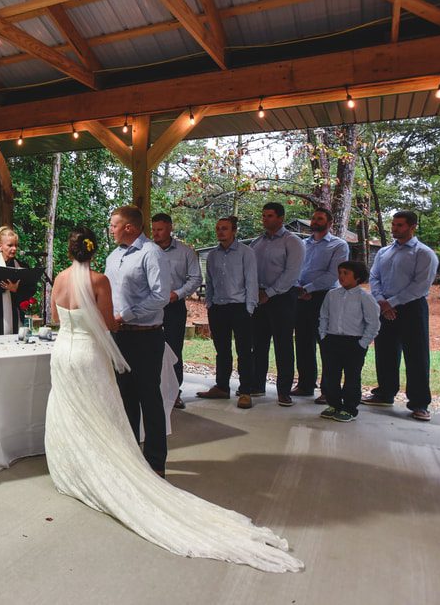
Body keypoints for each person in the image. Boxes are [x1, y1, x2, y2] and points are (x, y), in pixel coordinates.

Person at [45, 227, 303, 573]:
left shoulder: (60, 278)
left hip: (62, 352)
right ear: (92, 252)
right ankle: (112, 463)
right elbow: (106, 323)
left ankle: (75, 466)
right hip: (89, 353)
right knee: (101, 412)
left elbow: (55, 318)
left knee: (72, 411)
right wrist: (117, 322)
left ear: (69, 250)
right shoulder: (99, 280)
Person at [104, 206, 170, 475]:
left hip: (145, 337)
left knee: (149, 399)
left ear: (129, 227)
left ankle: (155, 465)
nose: (111, 228)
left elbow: (160, 296)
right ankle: (131, 459)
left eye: (114, 224)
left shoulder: (151, 253)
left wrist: (126, 315)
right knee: (125, 398)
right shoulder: (113, 256)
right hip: (119, 337)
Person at [364, 210, 439, 421]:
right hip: (384, 306)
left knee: (416, 355)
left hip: (411, 308)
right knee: (385, 351)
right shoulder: (384, 252)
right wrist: (381, 301)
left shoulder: (424, 254)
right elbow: (374, 276)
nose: (394, 228)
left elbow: (421, 285)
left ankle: (419, 403)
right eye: (393, 224)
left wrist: (391, 302)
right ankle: (385, 393)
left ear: (412, 227)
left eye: (399, 225)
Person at [197, 217, 259, 408]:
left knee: (244, 351)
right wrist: (209, 303)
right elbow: (210, 281)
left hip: (240, 307)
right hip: (218, 308)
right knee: (222, 351)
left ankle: (246, 391)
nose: (220, 232)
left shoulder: (246, 253)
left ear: (234, 231)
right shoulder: (213, 255)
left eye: (224, 228)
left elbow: (251, 281)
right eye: (218, 229)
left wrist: (249, 308)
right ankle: (222, 387)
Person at [250, 202, 304, 407]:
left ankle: (284, 391)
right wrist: (256, 292)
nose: (265, 219)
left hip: (282, 297)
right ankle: (257, 384)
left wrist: (270, 293)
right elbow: (250, 269)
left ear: (280, 218)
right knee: (259, 343)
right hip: (259, 297)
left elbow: (291, 273)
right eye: (263, 215)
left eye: (270, 216)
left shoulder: (292, 242)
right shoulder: (257, 242)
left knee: (283, 345)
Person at [294, 208, 349, 403]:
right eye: (313, 218)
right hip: (300, 297)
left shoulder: (338, 245)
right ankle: (305, 385)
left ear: (330, 222)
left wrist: (308, 289)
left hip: (324, 297)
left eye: (320, 218)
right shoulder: (302, 244)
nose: (315, 221)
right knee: (302, 342)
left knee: (326, 344)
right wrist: (298, 288)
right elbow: (295, 268)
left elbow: (334, 274)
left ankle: (329, 390)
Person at [151, 213, 202, 410]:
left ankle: (175, 393)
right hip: (151, 306)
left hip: (174, 306)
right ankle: (153, 390)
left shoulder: (185, 252)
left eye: (160, 229)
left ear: (170, 228)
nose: (156, 233)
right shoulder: (147, 251)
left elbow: (196, 278)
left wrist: (178, 294)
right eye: (154, 229)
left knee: (174, 348)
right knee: (150, 348)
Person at [318, 261, 380, 423]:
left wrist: (363, 343)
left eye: (346, 273)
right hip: (332, 340)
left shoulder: (364, 297)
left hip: (354, 342)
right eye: (340, 273)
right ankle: (334, 404)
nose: (341, 276)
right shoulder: (332, 295)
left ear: (357, 277)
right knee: (331, 375)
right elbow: (324, 316)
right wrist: (323, 336)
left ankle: (350, 408)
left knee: (352, 377)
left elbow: (373, 322)